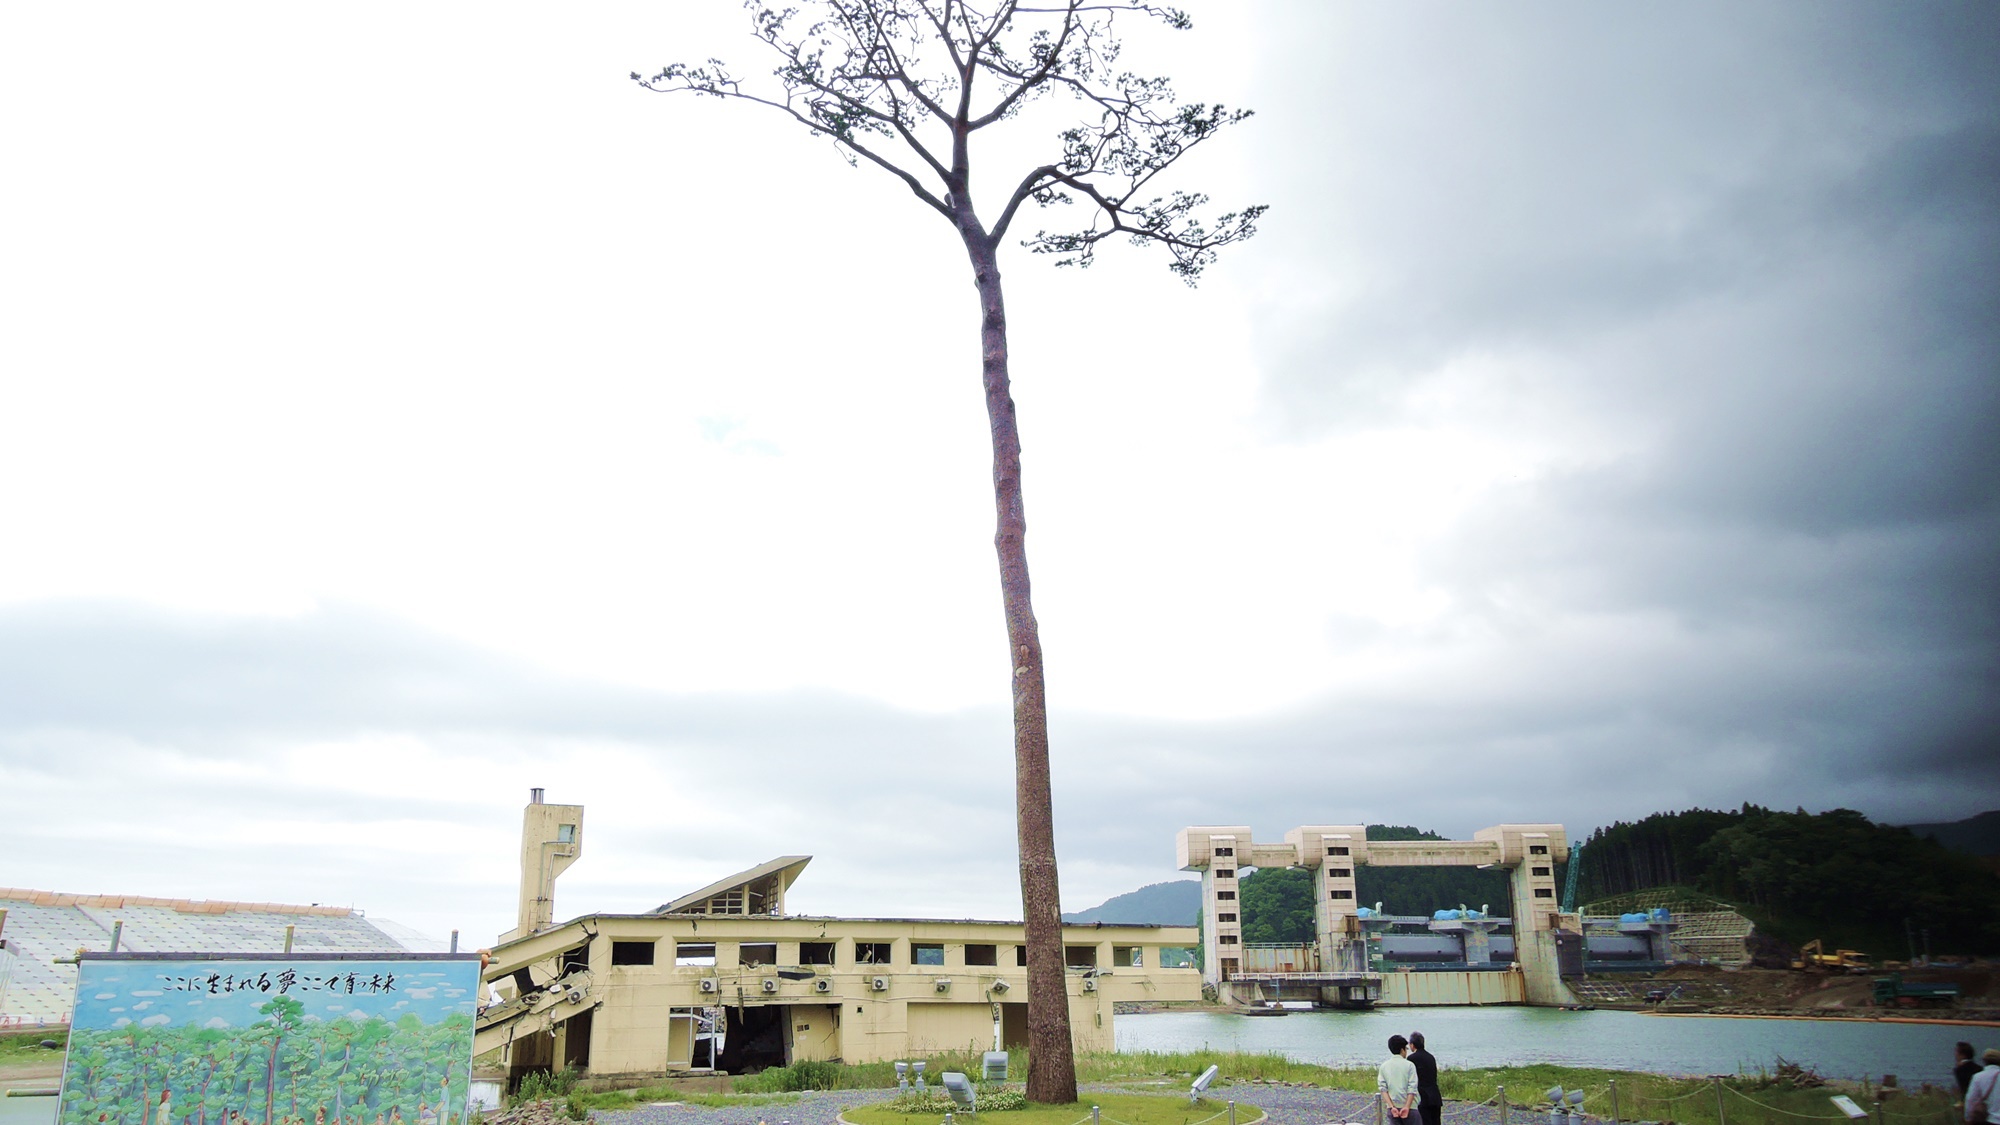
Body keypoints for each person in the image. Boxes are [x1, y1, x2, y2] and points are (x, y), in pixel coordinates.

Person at [1379, 1034, 1419, 1122]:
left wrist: (1391, 1106)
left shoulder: (1384, 1066)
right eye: (1406, 1048)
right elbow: (1412, 1088)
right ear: (1402, 1049)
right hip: (1410, 1108)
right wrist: (1407, 1107)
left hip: (1393, 1108)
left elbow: (1383, 1089)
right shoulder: (1409, 1065)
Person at [1410, 1032, 1442, 1125]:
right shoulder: (1430, 1057)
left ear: (1412, 1045)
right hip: (1435, 1095)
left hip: (1422, 1096)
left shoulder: (1412, 1058)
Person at [1968, 1048, 2000, 1125]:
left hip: (1990, 1120)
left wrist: (1968, 1118)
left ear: (1984, 1061)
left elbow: (1971, 1099)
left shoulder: (1978, 1077)